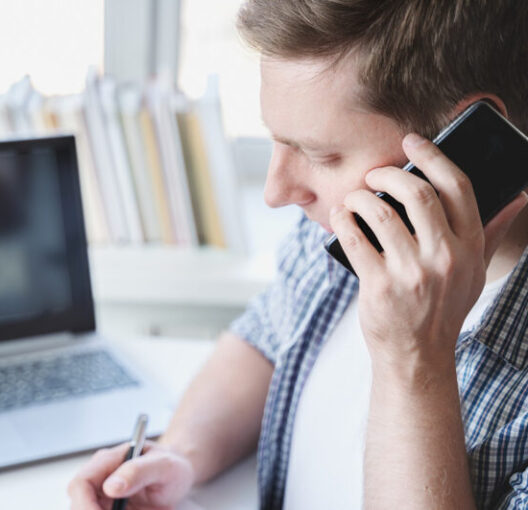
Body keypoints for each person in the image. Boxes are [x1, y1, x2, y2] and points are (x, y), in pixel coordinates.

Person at [68, 1, 528, 508]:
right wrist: (178, 456)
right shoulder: (348, 223)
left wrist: (413, 361)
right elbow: (269, 335)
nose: (277, 190)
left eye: (321, 154)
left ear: (471, 142)